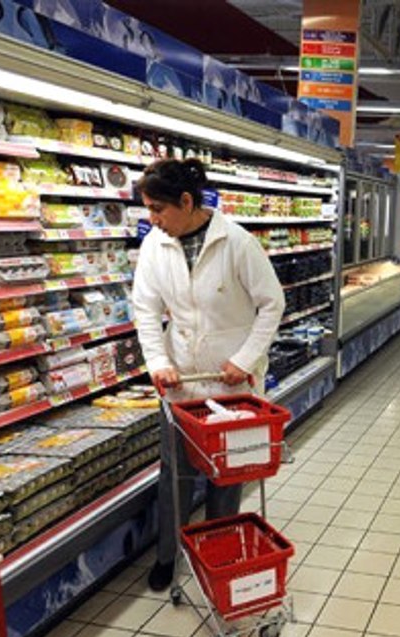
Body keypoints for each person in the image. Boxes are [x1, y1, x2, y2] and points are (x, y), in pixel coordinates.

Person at [131, 158, 287, 591]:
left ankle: (219, 554)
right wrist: (158, 363)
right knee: (174, 473)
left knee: (226, 475)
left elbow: (272, 304)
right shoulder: (154, 247)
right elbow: (145, 310)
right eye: (148, 209)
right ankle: (169, 555)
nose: (152, 219)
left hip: (231, 384)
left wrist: (246, 358)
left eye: (159, 209)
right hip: (181, 381)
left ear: (187, 201)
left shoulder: (237, 243)